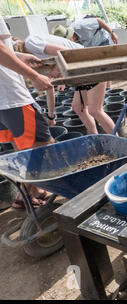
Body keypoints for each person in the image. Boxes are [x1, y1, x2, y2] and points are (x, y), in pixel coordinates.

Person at [0, 15, 54, 208]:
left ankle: (31, 191)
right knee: (44, 147)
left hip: (3, 101)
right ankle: (24, 195)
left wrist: (20, 57)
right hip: (12, 95)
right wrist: (33, 75)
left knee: (20, 146)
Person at [52, 22, 117, 134]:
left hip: (94, 72)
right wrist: (62, 79)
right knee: (77, 107)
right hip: (83, 76)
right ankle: (94, 136)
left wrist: (112, 33)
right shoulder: (64, 47)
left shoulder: (78, 41)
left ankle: (118, 139)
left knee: (95, 110)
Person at [13, 34, 83, 126]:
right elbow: (49, 89)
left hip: (84, 57)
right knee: (79, 108)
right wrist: (51, 117)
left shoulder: (31, 43)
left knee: (90, 109)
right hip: (77, 67)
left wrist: (58, 70)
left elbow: (67, 52)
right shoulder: (35, 66)